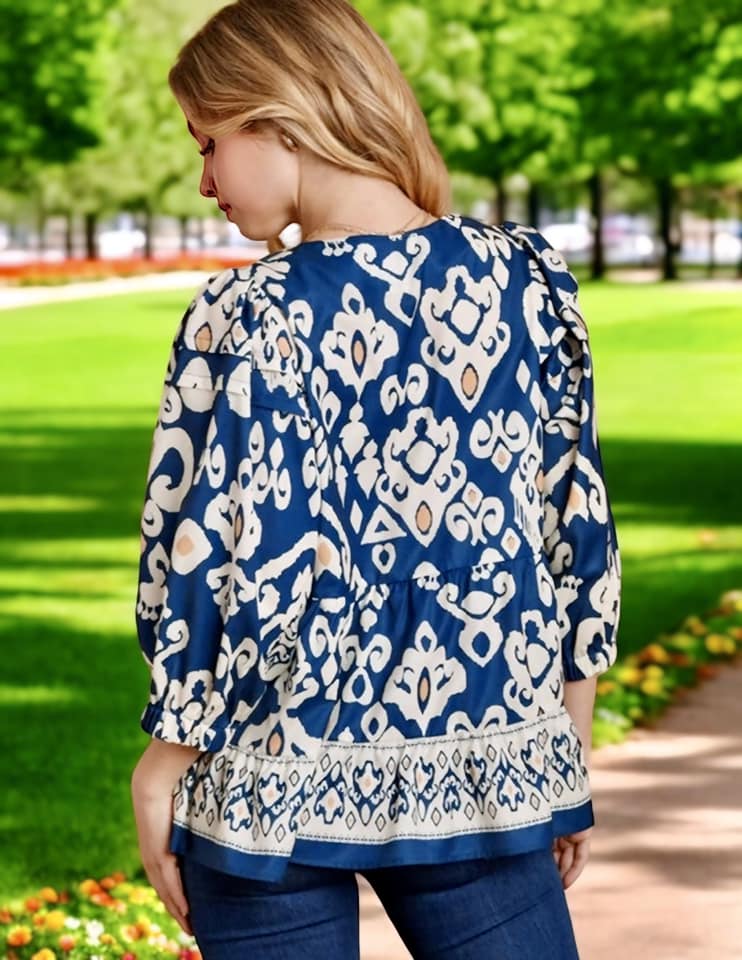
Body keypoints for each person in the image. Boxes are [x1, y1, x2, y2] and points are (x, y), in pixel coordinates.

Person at [129, 0, 622, 957]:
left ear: (277, 114)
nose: (204, 183)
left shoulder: (248, 314)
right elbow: (575, 524)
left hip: (268, 784)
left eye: (209, 143)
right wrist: (567, 744)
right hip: (488, 768)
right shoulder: (526, 281)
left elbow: (222, 561)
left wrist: (162, 765)